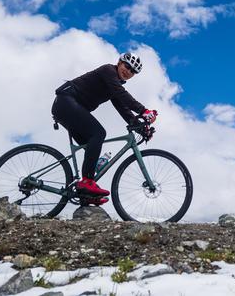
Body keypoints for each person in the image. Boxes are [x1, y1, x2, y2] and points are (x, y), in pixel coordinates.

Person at [51, 52, 157, 205]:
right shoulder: (108, 71)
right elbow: (122, 94)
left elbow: (123, 108)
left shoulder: (114, 86)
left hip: (68, 107)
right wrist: (144, 111)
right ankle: (87, 181)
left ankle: (85, 194)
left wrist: (141, 128)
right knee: (98, 133)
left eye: (133, 71)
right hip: (66, 101)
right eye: (127, 66)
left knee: (91, 145)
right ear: (119, 62)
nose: (128, 71)